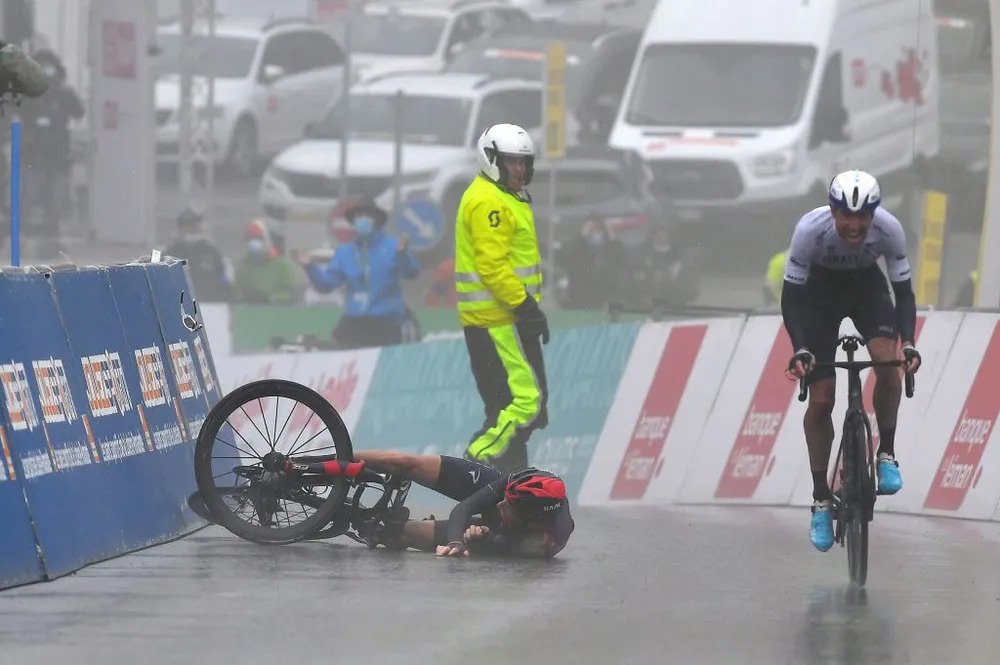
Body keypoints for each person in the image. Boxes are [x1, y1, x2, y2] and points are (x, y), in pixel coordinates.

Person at [781, 170, 922, 553]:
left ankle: (886, 451)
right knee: (822, 399)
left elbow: (904, 294)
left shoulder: (889, 230)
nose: (855, 224)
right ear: (833, 209)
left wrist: (908, 342)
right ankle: (821, 499)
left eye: (864, 216)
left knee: (886, 360)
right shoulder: (810, 231)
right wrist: (801, 348)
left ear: (874, 213)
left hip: (866, 290)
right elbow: (792, 298)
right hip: (818, 299)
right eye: (847, 215)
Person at [454, 123, 550, 473]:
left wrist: (529, 313)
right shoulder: (489, 201)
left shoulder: (502, 196)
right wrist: (526, 308)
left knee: (517, 410)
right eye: (513, 162)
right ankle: (476, 460)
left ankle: (509, 483)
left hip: (507, 319)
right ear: (492, 159)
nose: (520, 170)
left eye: (524, 163)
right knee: (526, 405)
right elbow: (492, 267)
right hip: (499, 322)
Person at [352, 450, 574, 559]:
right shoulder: (518, 485)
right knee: (407, 463)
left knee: (400, 532)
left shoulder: (545, 541)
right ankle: (335, 457)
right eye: (504, 498)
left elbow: (502, 546)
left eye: (509, 506)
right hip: (505, 503)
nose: (500, 504)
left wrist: (480, 539)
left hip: (497, 535)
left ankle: (349, 515)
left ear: (530, 518)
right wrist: (455, 540)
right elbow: (465, 507)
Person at [301, 197, 421, 349]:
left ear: (377, 219)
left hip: (387, 320)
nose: (362, 219)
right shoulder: (345, 252)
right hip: (356, 319)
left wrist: (402, 255)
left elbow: (413, 272)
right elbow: (327, 284)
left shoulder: (393, 246)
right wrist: (310, 268)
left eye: (367, 215)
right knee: (339, 341)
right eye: (358, 216)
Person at [164, 208, 231, 302]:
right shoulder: (172, 253)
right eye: (186, 225)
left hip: (209, 305)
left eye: (194, 225)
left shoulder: (211, 252)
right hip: (180, 304)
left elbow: (223, 280)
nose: (191, 229)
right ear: (180, 229)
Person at [234, 219, 303, 304]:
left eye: (259, 239)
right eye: (250, 239)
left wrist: (269, 298)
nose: (254, 242)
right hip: (249, 313)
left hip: (274, 314)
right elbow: (236, 292)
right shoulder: (243, 265)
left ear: (269, 241)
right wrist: (244, 297)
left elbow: (293, 296)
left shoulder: (282, 266)